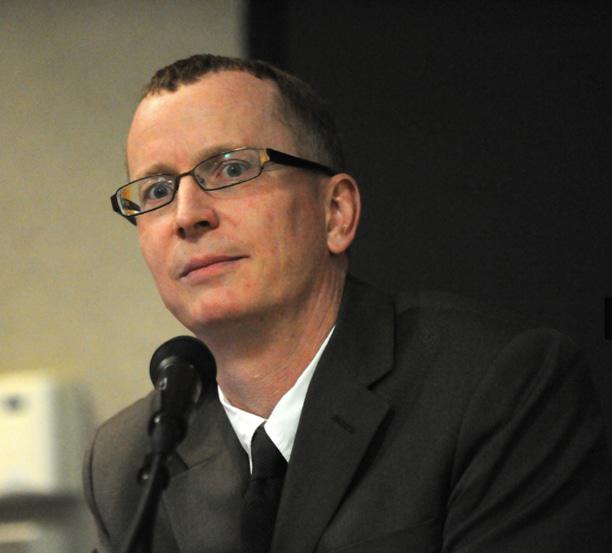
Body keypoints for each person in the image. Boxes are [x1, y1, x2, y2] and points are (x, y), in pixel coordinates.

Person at [82, 54, 612, 553]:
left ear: (335, 213)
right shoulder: (127, 461)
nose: (186, 215)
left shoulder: (495, 386)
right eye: (156, 192)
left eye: (231, 170)